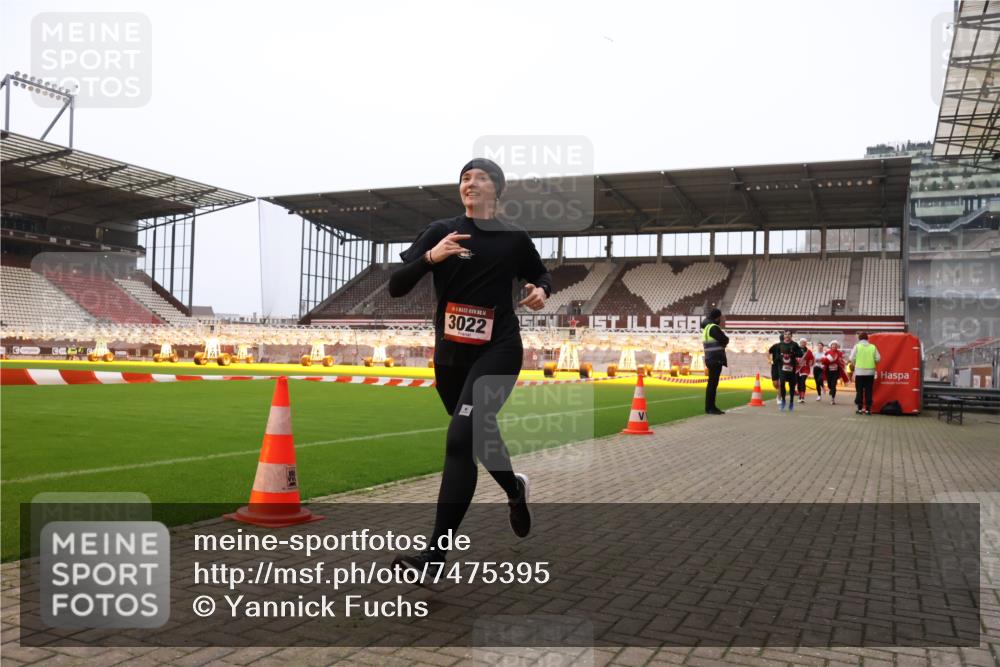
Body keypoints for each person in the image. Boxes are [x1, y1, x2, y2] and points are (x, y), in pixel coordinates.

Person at [387, 158, 552, 574]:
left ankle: (434, 557)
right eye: (464, 177)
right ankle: (514, 488)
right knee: (478, 436)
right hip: (451, 357)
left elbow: (541, 275)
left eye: (480, 177)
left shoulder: (513, 238)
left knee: (461, 438)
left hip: (499, 350)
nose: (470, 183)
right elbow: (396, 286)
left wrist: (540, 290)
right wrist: (430, 257)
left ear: (497, 189)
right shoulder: (442, 231)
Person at [701, 308, 729, 415]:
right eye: (720, 317)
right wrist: (725, 342)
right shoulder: (713, 327)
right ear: (717, 317)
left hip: (709, 358)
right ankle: (711, 408)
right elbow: (724, 339)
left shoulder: (706, 328)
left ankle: (709, 407)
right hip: (716, 358)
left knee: (711, 384)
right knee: (713, 384)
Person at [850, 332, 881, 415]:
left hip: (859, 372)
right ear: (867, 338)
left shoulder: (857, 346)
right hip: (870, 372)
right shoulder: (873, 347)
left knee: (859, 390)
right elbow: (878, 358)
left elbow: (851, 358)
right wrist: (873, 362)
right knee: (868, 390)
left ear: (859, 338)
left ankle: (860, 409)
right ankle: (868, 409)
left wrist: (855, 362)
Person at [775, 331, 801, 411]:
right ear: (784, 336)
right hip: (782, 368)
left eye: (789, 334)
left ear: (791, 336)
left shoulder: (794, 344)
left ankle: (791, 402)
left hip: (791, 368)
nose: (787, 336)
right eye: (786, 334)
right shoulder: (779, 345)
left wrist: (793, 353)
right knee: (782, 383)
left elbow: (800, 354)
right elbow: (776, 356)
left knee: (791, 386)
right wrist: (781, 357)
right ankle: (783, 401)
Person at [821, 340, 849, 405]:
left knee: (833, 384)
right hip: (828, 371)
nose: (834, 347)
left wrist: (842, 361)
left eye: (835, 346)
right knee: (829, 384)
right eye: (833, 345)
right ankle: (830, 389)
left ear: (837, 346)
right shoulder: (827, 352)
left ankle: (832, 399)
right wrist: (826, 361)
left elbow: (842, 360)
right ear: (831, 346)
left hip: (836, 371)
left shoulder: (840, 353)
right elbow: (823, 360)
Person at [766, 333, 786, 407]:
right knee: (775, 384)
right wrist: (769, 360)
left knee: (781, 383)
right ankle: (780, 391)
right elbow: (768, 352)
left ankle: (779, 397)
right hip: (775, 366)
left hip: (783, 366)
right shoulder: (775, 346)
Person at [795, 338, 814, 404]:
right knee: (798, 383)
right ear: (800, 343)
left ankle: (802, 397)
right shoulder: (796, 350)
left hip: (805, 369)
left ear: (806, 344)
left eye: (804, 342)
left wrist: (811, 362)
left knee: (802, 382)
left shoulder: (808, 352)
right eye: (802, 342)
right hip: (797, 369)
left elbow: (811, 359)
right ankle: (800, 396)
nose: (803, 344)